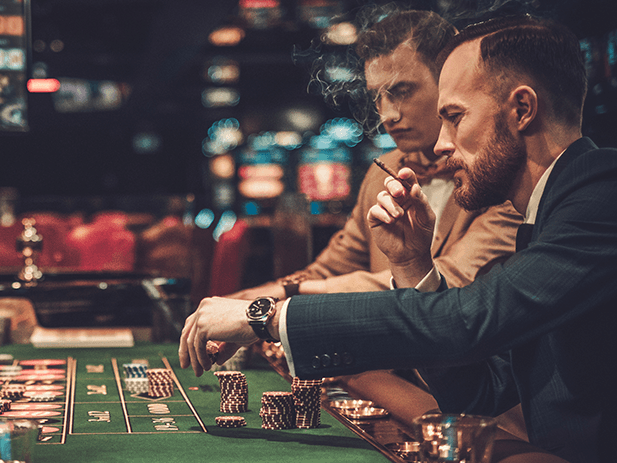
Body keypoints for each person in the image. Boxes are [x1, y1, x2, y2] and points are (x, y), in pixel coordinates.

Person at [179, 15, 616, 463]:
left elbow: (463, 320)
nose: (442, 145)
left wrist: (265, 317)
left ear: (522, 109)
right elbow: (479, 391)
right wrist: (413, 266)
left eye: (455, 117)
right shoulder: (550, 211)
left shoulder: (603, 195)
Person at [228, 10, 522, 302]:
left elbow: (450, 279)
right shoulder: (384, 170)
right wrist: (263, 297)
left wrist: (291, 291)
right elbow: (329, 269)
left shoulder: (495, 169)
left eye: (401, 91)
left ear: (447, 81)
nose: (388, 115)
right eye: (377, 97)